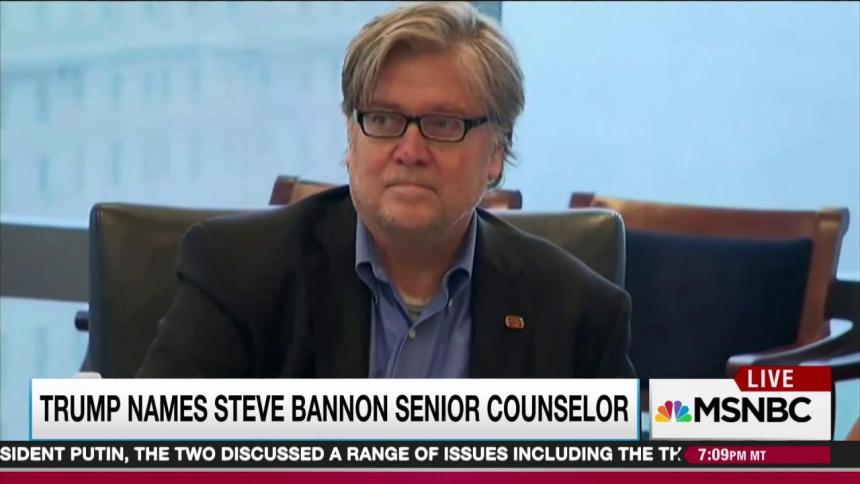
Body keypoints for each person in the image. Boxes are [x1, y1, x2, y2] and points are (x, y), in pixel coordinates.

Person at [137, 2, 634, 378]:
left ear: (497, 153)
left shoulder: (578, 314)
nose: (410, 150)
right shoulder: (238, 273)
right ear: (351, 138)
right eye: (382, 119)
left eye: (443, 123)